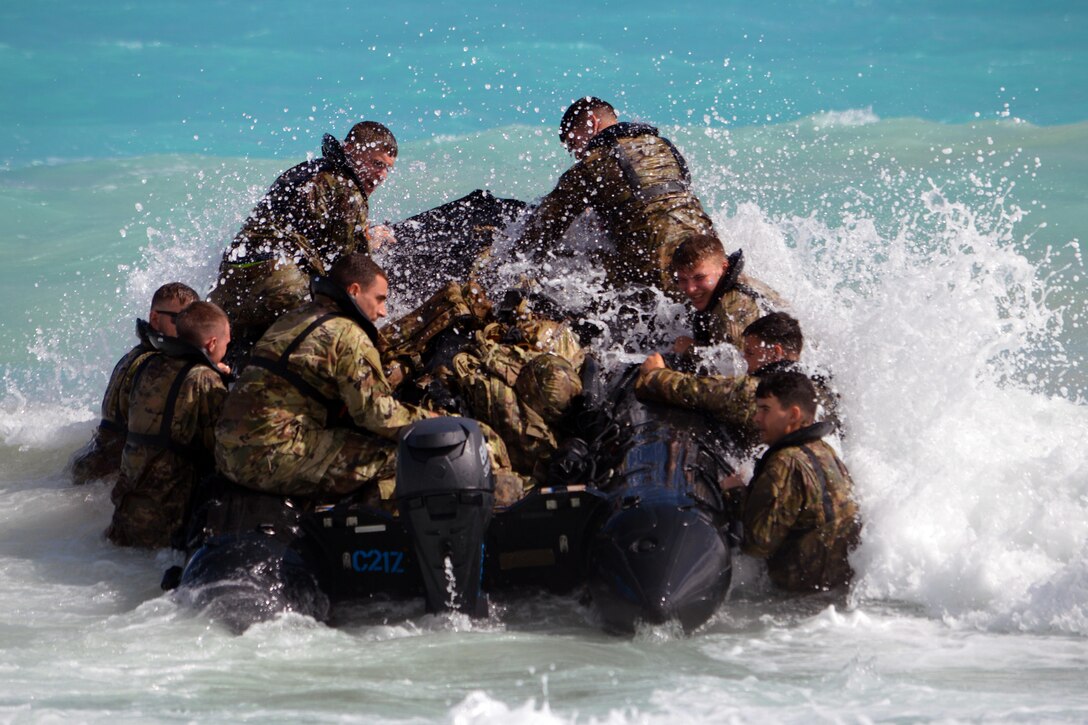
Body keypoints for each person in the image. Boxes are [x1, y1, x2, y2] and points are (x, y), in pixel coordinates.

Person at [214, 253, 528, 508]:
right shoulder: (347, 334)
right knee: (420, 458)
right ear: (353, 291)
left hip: (231, 453)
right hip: (271, 457)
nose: (383, 311)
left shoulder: (295, 318)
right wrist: (435, 420)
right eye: (379, 299)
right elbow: (376, 415)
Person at [209, 121, 399, 365]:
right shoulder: (348, 189)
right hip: (278, 282)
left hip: (229, 282)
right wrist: (370, 242)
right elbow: (350, 268)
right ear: (350, 149)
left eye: (387, 169)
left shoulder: (304, 170)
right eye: (377, 164)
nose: (381, 176)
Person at [515, 96, 716, 292]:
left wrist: (508, 263)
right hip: (706, 252)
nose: (575, 154)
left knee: (575, 262)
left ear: (592, 124)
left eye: (573, 144)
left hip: (656, 269)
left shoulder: (594, 162)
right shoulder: (666, 148)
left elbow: (543, 228)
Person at [106, 301, 232, 548]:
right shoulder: (204, 380)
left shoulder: (148, 364)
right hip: (166, 525)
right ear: (212, 344)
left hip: (124, 516)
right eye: (227, 342)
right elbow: (221, 449)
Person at [636, 312, 840, 451]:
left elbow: (696, 391)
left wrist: (656, 374)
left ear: (776, 353)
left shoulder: (765, 394)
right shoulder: (819, 386)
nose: (744, 360)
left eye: (750, 353)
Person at [736, 371, 861, 592]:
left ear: (793, 414)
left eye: (765, 409)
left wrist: (734, 493)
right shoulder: (825, 450)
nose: (756, 417)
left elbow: (758, 543)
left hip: (799, 596)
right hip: (836, 588)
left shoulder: (786, 462)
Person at [69, 282, 200, 485]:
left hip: (90, 466)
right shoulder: (156, 365)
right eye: (179, 320)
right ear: (155, 318)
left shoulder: (136, 355)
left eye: (194, 321)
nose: (187, 329)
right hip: (107, 476)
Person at [669, 234, 783, 357]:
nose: (690, 289)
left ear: (723, 268)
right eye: (682, 279)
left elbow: (740, 367)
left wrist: (691, 349)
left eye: (699, 277)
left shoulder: (730, 312)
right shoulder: (730, 282)